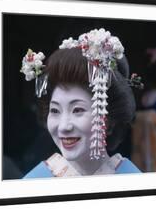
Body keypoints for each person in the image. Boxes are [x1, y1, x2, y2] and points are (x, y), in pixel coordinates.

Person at [20, 28, 141, 178]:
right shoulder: (34, 181)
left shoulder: (133, 179)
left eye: (77, 110)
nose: (64, 126)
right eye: (55, 111)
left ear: (108, 120)